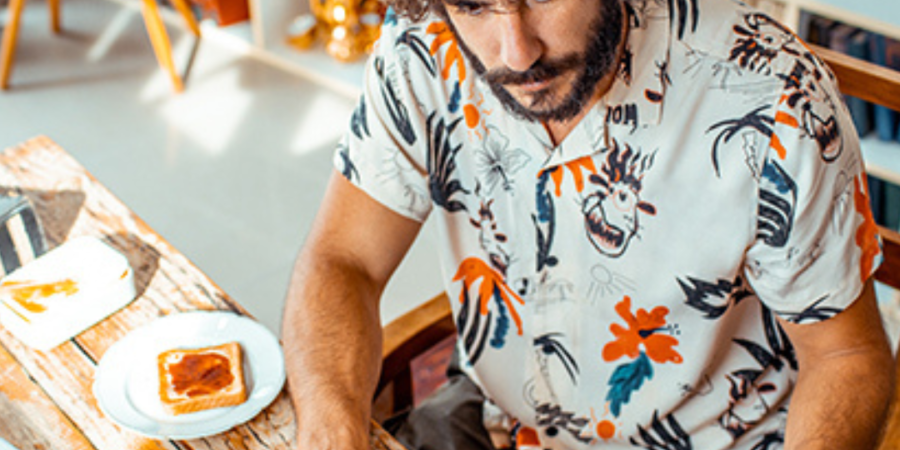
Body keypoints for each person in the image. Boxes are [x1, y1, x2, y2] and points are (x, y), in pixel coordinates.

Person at [281, 0, 895, 448]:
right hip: (501, 419)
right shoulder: (419, 48)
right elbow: (345, 259)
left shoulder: (771, 96)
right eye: (472, 5)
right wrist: (331, 428)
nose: (516, 52)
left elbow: (846, 354)